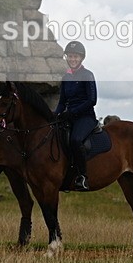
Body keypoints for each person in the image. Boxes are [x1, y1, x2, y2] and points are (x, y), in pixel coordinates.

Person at [53, 40, 97, 191]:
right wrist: (54, 115)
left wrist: (72, 112)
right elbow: (62, 102)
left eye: (75, 57)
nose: (72, 59)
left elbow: (92, 100)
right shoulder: (66, 78)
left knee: (76, 139)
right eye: (70, 56)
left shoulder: (87, 75)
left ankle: (83, 177)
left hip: (85, 117)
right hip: (69, 117)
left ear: (81, 58)